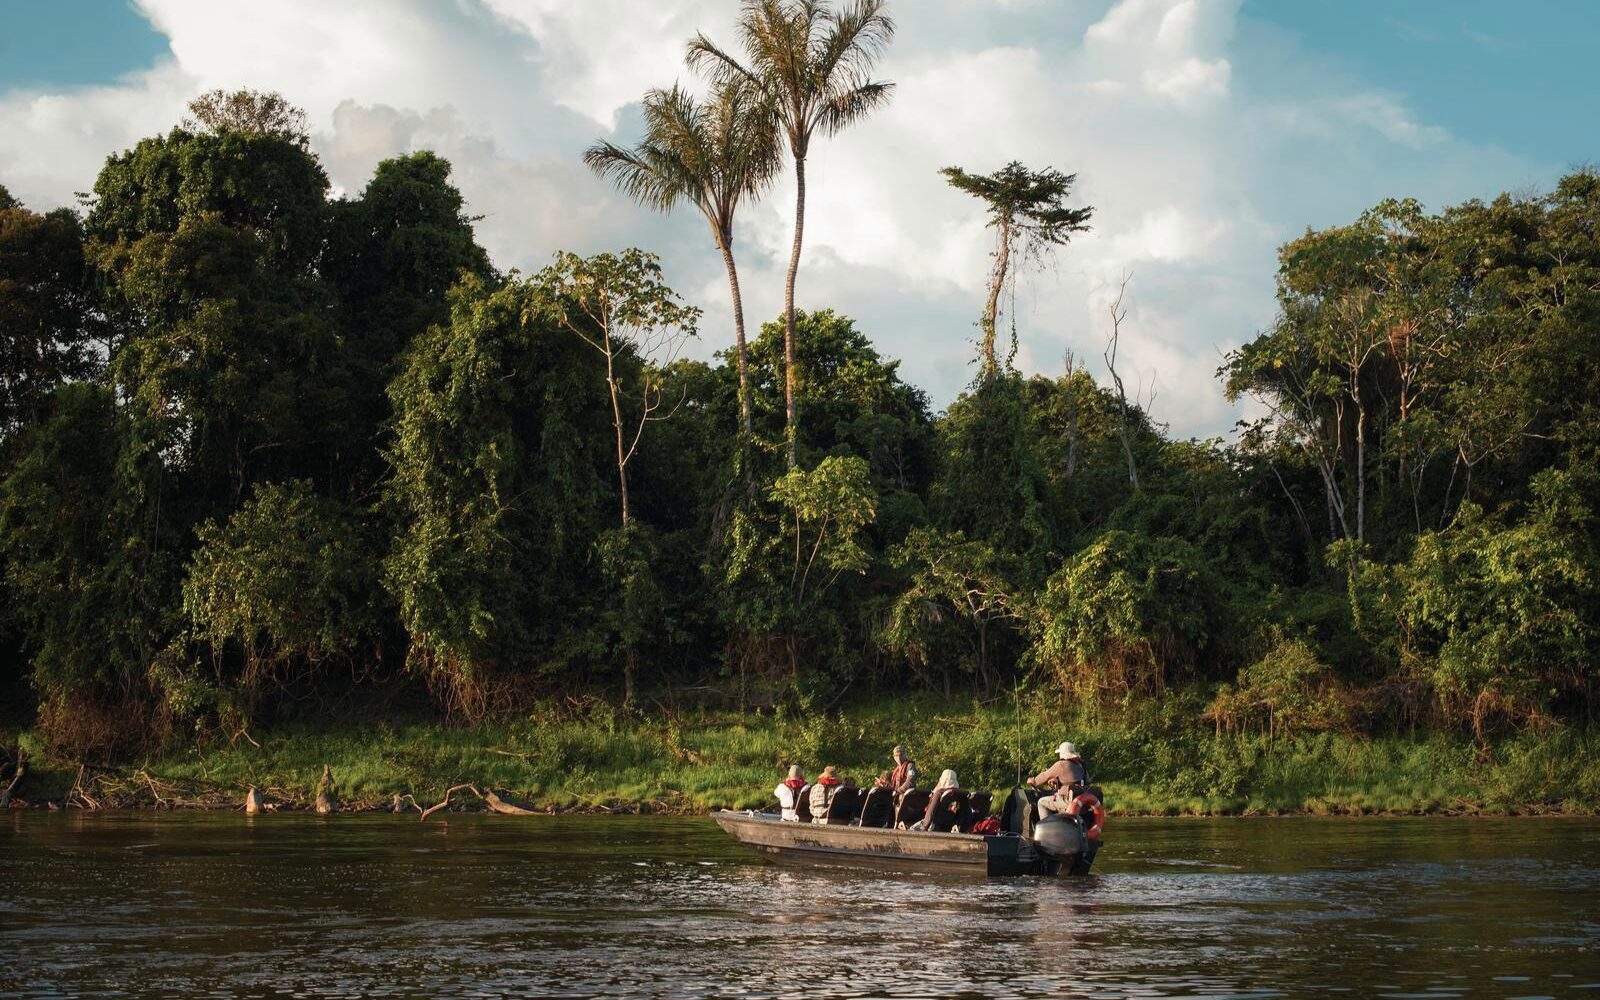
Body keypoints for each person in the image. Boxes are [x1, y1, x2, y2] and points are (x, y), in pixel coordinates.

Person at [1031, 742, 1088, 818]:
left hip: (1067, 801)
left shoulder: (1061, 764)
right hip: (1081, 801)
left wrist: (1033, 781)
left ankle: (1046, 826)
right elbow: (1085, 780)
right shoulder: (1080, 765)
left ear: (1062, 753)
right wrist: (1058, 782)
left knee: (1041, 802)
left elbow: (1045, 775)